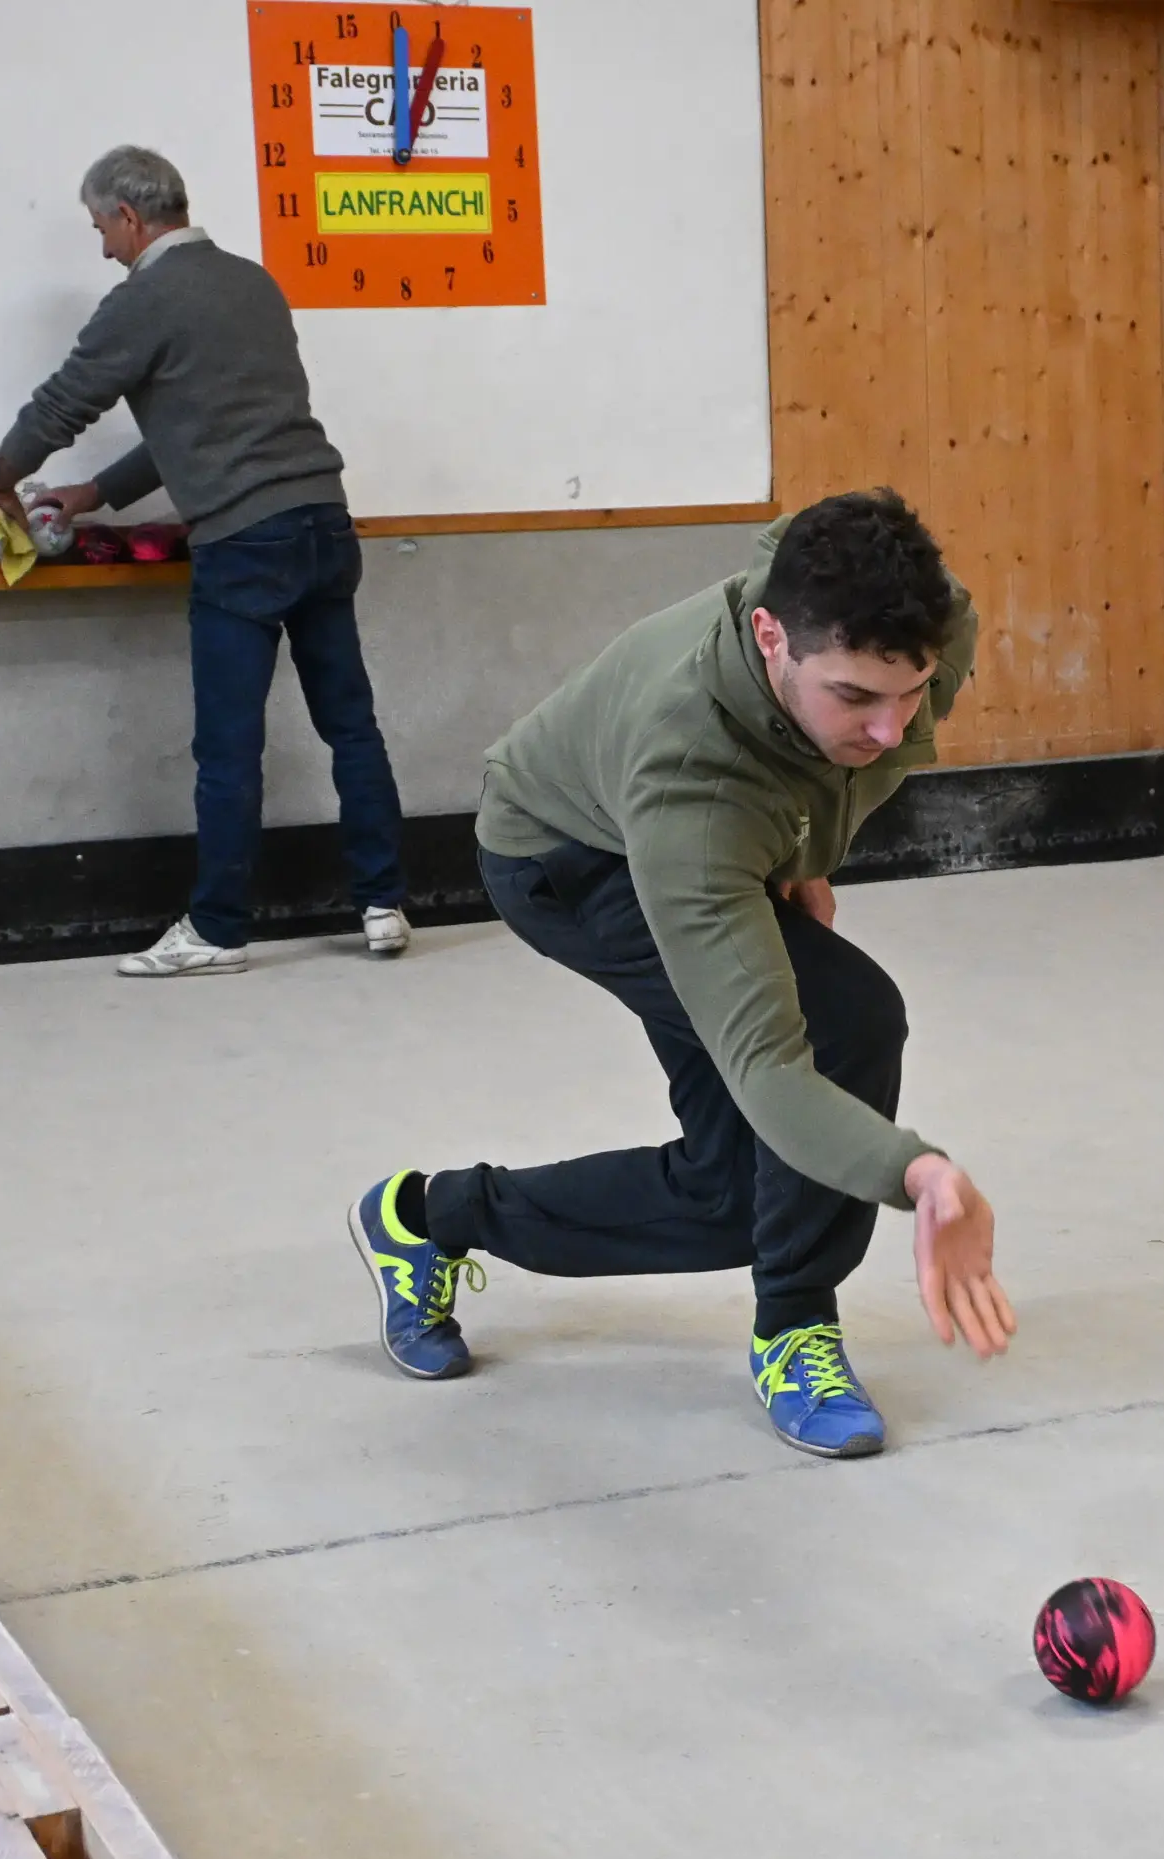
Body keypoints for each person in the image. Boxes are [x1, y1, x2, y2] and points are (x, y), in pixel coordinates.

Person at [345, 491, 1017, 1457]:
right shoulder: (690, 784)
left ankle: (421, 1217)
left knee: (731, 1198)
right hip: (567, 861)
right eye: (855, 697)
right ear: (769, 634)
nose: (888, 727)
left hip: (694, 828)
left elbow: (843, 756)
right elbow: (772, 1068)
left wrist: (797, 852)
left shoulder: (924, 626)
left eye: (907, 694)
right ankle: (795, 1325)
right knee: (847, 1023)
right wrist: (917, 1173)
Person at [0, 145, 412, 977]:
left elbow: (62, 403)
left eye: (101, 227)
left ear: (131, 218)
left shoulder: (144, 299)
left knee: (229, 749)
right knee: (351, 725)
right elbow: (205, 420)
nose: (102, 245)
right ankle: (383, 905)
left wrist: (0, 482)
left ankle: (215, 931)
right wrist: (94, 493)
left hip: (245, 545)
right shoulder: (253, 283)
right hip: (322, 521)